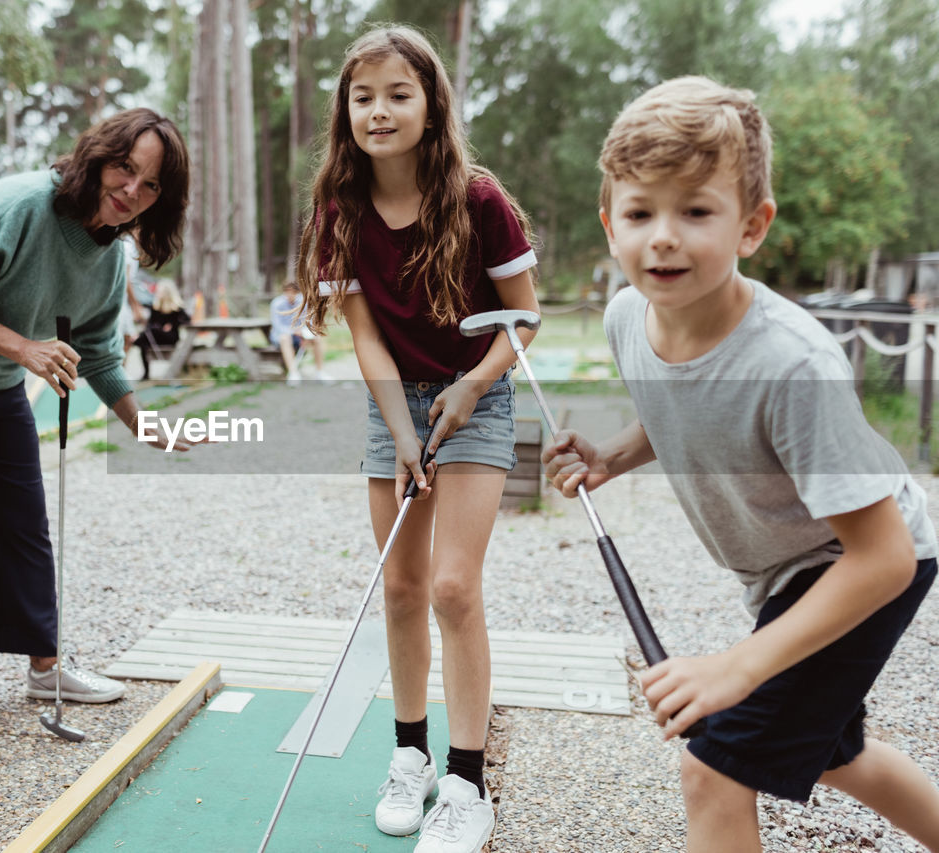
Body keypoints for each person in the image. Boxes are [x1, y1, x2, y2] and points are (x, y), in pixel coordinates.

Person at [541, 77, 939, 851]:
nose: (663, 236)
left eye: (695, 210)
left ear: (752, 227)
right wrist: (613, 456)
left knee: (713, 766)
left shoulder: (792, 365)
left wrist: (739, 665)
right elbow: (685, 404)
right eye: (640, 211)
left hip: (864, 559)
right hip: (793, 569)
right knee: (835, 753)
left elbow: (883, 557)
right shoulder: (630, 316)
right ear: (608, 223)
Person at [0, 108, 196, 771]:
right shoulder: (18, 205)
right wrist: (24, 348)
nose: (132, 189)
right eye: (124, 167)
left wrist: (144, 424)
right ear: (97, 157)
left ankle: (46, 667)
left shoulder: (111, 256)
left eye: (151, 184)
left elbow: (100, 350)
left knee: (24, 524)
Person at [296, 26, 538, 853]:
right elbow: (364, 336)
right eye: (363, 97)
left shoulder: (479, 198)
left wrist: (472, 384)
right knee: (400, 588)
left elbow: (525, 318)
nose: (380, 111)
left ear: (432, 104)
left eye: (399, 93)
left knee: (453, 589)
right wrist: (401, 429)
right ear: (346, 112)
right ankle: (410, 756)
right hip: (395, 401)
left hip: (481, 396)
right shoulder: (340, 208)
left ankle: (468, 783)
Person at [269, 280, 331, 386]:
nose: (290, 294)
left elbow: (309, 321)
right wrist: (294, 332)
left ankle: (320, 372)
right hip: (282, 336)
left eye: (292, 292)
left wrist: (305, 334)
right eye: (287, 291)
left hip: (301, 334)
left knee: (317, 338)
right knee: (285, 338)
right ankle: (293, 374)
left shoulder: (303, 302)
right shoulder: (277, 303)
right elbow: (277, 326)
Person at [136, 279, 189, 380]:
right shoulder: (155, 307)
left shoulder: (177, 309)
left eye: (160, 291)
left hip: (170, 337)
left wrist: (173, 325)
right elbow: (150, 325)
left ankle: (136, 340)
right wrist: (159, 327)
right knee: (147, 337)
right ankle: (146, 373)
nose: (158, 293)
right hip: (155, 337)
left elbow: (187, 321)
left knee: (147, 335)